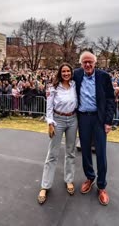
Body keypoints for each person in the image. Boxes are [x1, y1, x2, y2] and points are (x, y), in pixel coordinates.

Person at [73, 51, 115, 206]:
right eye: (85, 62)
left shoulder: (103, 76)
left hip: (99, 119)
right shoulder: (76, 75)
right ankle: (90, 177)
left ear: (95, 63)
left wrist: (108, 121)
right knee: (85, 150)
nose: (88, 65)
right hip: (83, 118)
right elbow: (61, 81)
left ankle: (102, 186)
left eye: (90, 62)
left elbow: (111, 99)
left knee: (101, 152)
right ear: (81, 64)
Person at [37, 63, 78, 205]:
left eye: (68, 71)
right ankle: (45, 186)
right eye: (64, 71)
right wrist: (50, 123)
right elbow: (48, 107)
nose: (66, 73)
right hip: (58, 120)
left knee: (70, 152)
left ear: (71, 73)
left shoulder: (74, 85)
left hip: (73, 119)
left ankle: (69, 180)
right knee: (52, 154)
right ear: (60, 73)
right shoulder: (53, 88)